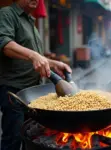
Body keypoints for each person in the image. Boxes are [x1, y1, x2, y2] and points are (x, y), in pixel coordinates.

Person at [0, 0, 71, 150]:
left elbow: (37, 58)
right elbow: (5, 44)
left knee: (30, 137)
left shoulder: (30, 20)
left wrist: (54, 63)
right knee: (13, 138)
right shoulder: (7, 13)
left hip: (32, 94)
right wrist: (33, 55)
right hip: (14, 92)